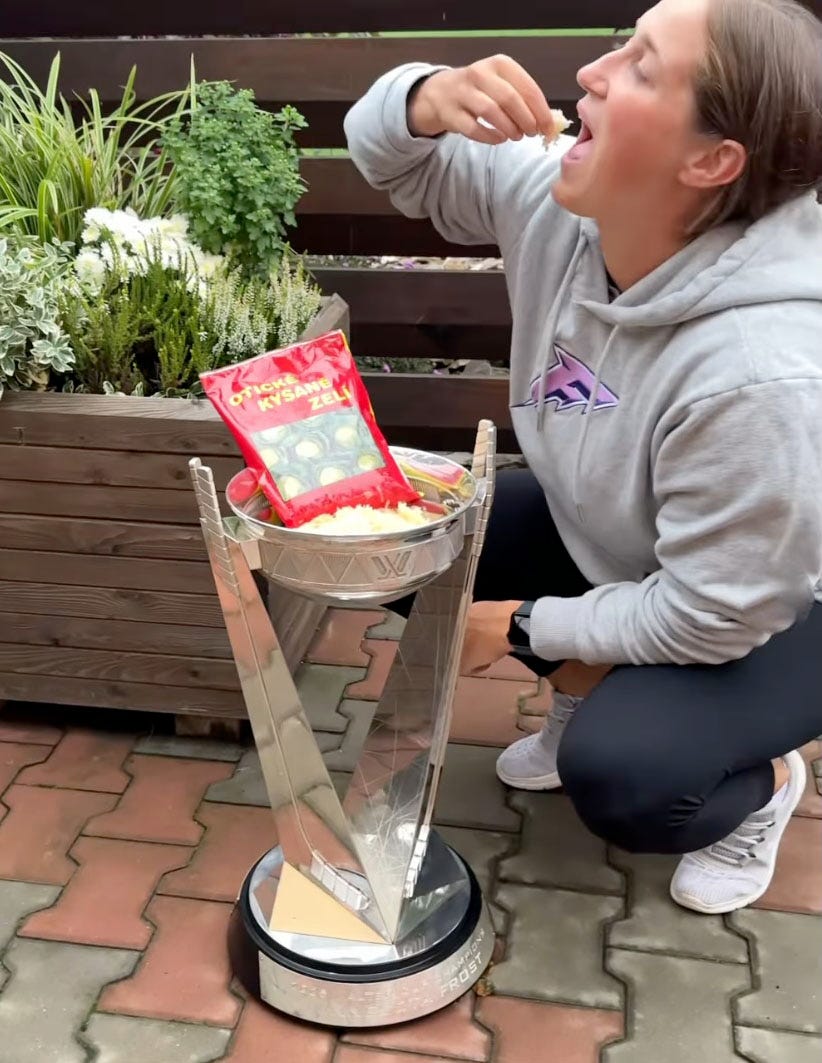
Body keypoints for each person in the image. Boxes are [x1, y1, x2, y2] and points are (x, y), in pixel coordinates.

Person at [344, 0, 822, 915]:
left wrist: (524, 626)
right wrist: (426, 98)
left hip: (779, 611)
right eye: (619, 46)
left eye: (642, 67)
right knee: (415, 538)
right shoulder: (570, 200)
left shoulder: (763, 373)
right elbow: (387, 157)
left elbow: (715, 613)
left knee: (630, 775)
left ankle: (758, 789)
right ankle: (586, 691)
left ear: (711, 161)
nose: (591, 76)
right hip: (623, 541)